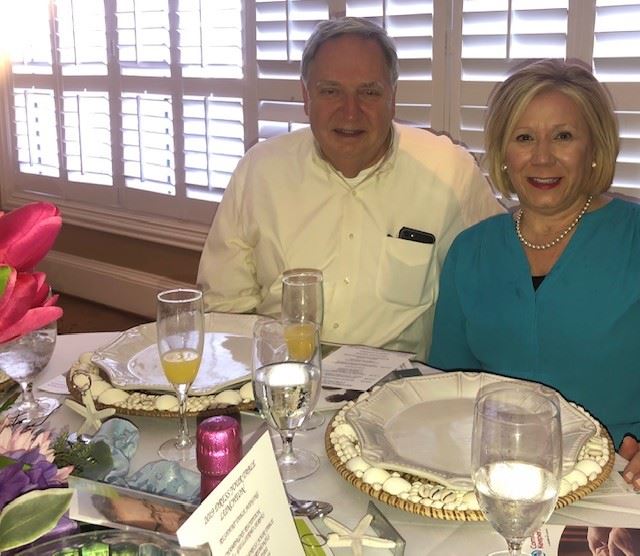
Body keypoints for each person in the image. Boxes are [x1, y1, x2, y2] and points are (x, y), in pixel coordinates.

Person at [197, 17, 502, 358]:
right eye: (330, 91)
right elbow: (225, 307)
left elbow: (501, 279)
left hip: (400, 395)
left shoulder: (449, 171)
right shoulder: (259, 171)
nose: (350, 112)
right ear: (306, 96)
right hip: (283, 381)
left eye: (369, 92)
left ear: (393, 96)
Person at [428, 58, 640, 487]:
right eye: (524, 137)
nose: (542, 157)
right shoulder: (470, 250)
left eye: (563, 136)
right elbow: (446, 388)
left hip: (619, 478)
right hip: (492, 480)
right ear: (504, 153)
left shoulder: (633, 238)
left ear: (594, 148)